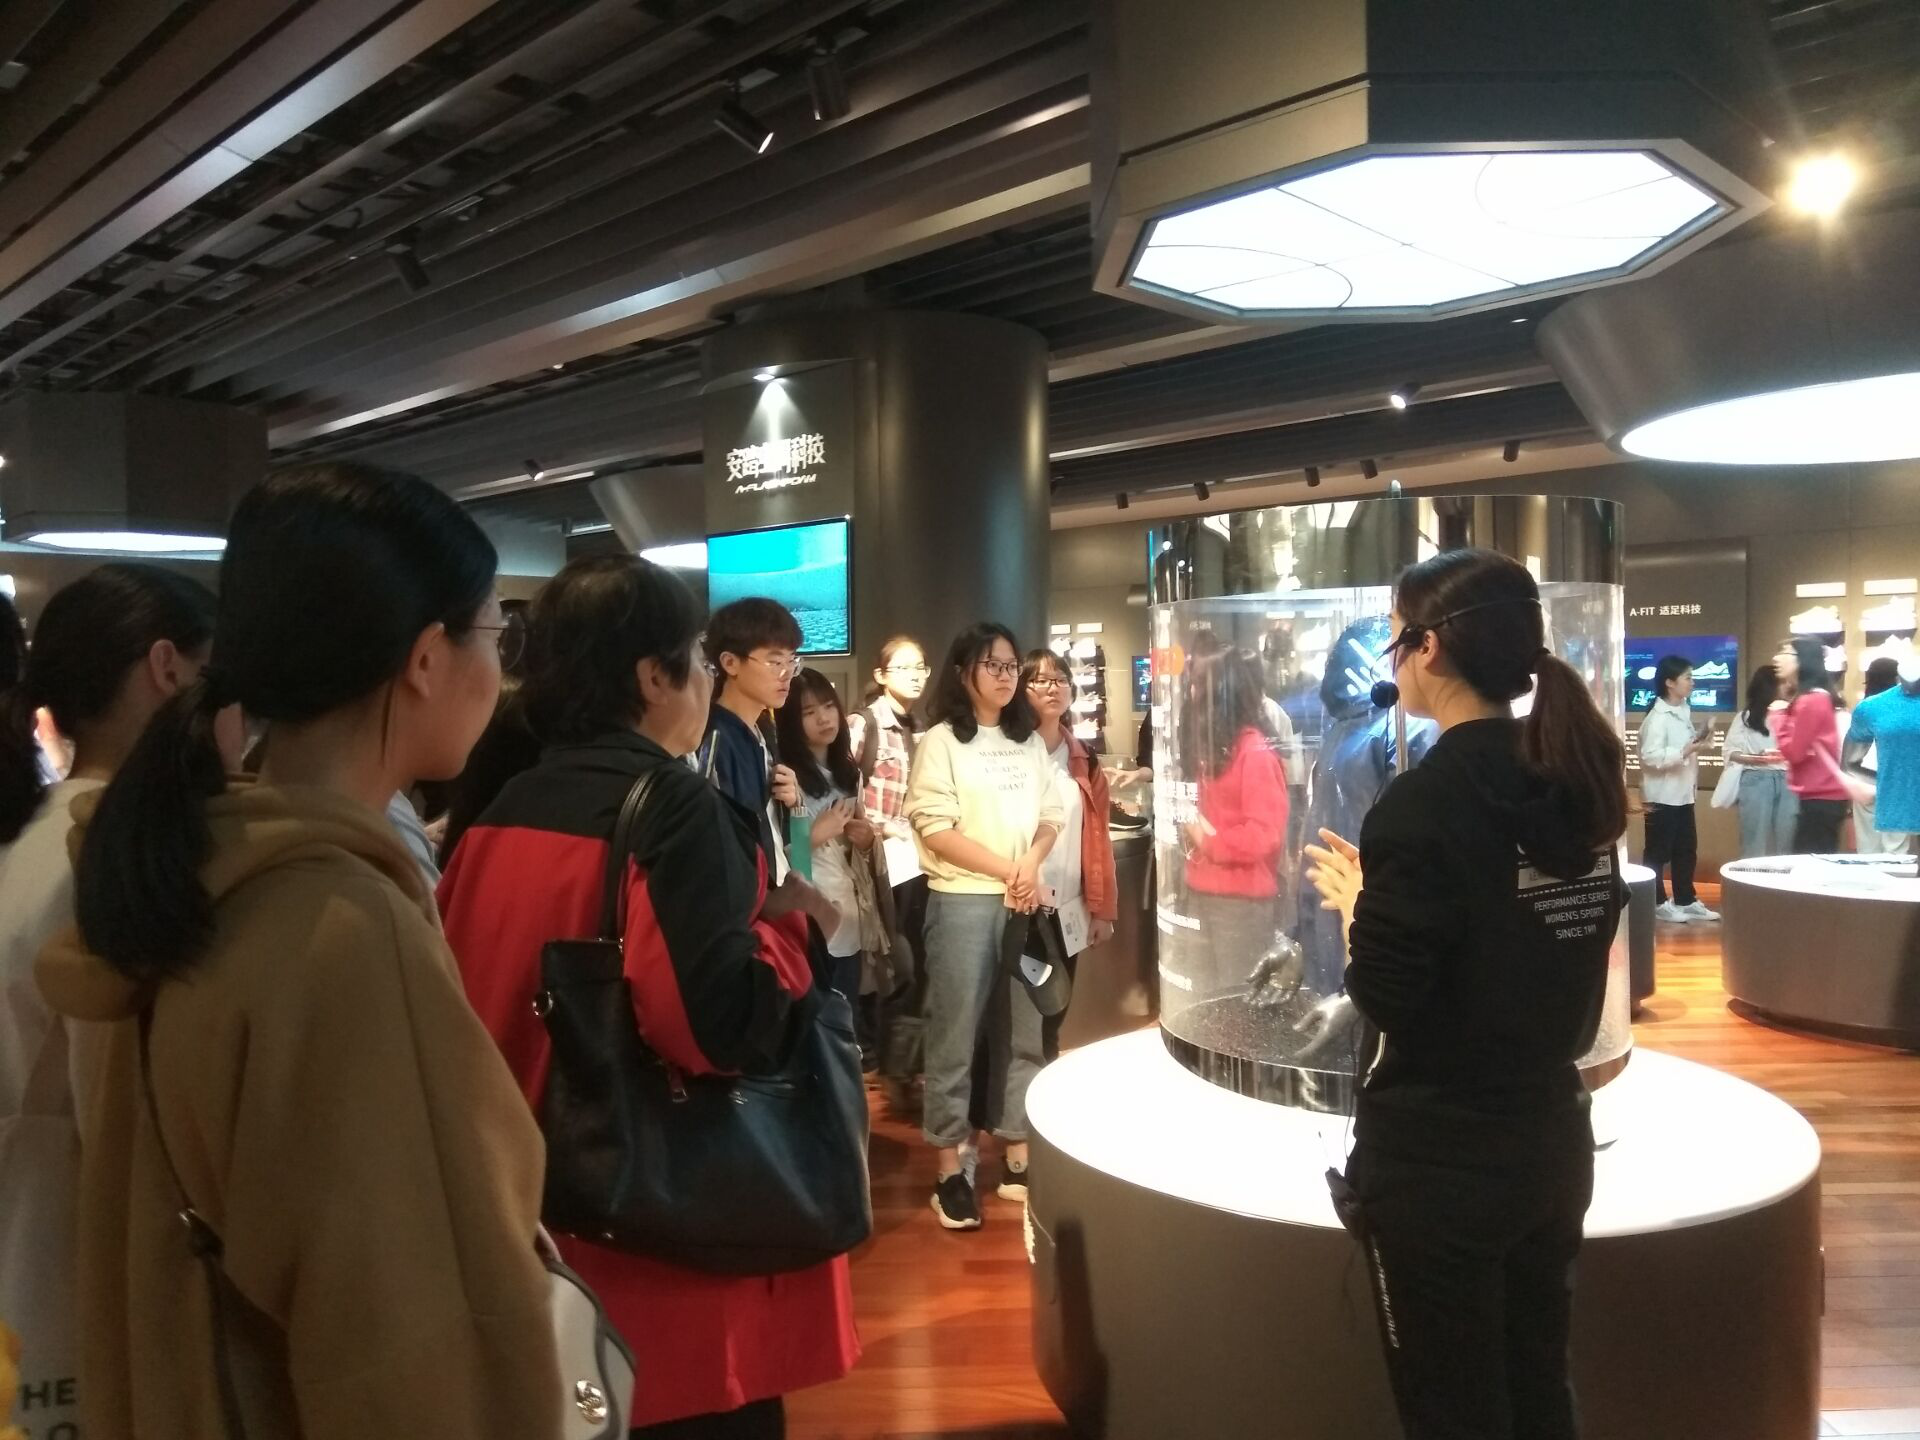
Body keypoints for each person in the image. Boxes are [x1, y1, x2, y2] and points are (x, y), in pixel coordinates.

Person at [34, 463, 563, 1439]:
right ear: (425, 658)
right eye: (497, 634)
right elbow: (412, 1347)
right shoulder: (342, 930)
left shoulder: (188, 868)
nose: (501, 670)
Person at [438, 556, 858, 1437]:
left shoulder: (498, 807)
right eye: (698, 658)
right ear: (651, 677)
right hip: (660, 1262)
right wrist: (789, 930)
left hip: (530, 1222)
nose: (705, 676)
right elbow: (713, 1030)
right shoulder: (672, 808)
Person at [1303, 547, 1628, 1440]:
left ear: (1430, 647)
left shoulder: (1425, 802)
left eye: (1397, 640)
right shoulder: (1573, 781)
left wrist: (1361, 906)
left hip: (1442, 1164)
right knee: (1539, 1387)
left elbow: (1389, 996)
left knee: (1453, 1409)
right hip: (1551, 1141)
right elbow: (1551, 941)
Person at [0, 564, 216, 1440]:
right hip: (70, 1282)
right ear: (167, 669)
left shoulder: (33, 843)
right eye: (214, 676)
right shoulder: (118, 861)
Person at [904, 622, 1064, 1230]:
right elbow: (935, 829)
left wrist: (1030, 863)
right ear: (962, 671)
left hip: (1021, 901)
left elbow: (1050, 815)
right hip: (963, 902)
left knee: (1023, 1031)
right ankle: (950, 1168)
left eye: (1010, 665)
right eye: (991, 664)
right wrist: (1010, 870)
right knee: (955, 1035)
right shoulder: (941, 741)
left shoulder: (1027, 742)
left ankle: (1017, 1155)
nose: (1004, 675)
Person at [1178, 641, 1291, 996]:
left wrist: (1206, 839)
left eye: (1199, 685)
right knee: (1205, 1002)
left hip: (1239, 904)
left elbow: (1264, 834)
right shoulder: (1219, 747)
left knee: (1236, 1004)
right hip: (1204, 892)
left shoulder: (1253, 751)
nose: (1192, 694)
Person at [1023, 648, 1119, 1060]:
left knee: (1053, 1013)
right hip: (1017, 904)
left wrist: (1102, 911)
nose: (1053, 688)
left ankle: (1038, 1086)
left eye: (1060, 679)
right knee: (1014, 1018)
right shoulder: (1007, 753)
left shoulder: (1084, 759)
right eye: (1040, 680)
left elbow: (1098, 840)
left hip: (1066, 909)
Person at [848, 636, 931, 1111]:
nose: (916, 676)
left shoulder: (921, 727)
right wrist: (884, 828)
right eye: (904, 668)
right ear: (880, 675)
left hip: (914, 864)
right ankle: (887, 1068)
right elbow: (842, 789)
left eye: (920, 667)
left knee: (913, 964)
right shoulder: (865, 724)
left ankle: (901, 1069)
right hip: (879, 864)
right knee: (895, 965)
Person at [777, 667, 882, 1003]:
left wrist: (865, 840)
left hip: (850, 918)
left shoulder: (849, 774)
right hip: (809, 923)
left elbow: (859, 853)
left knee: (845, 1014)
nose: (823, 718)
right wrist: (816, 834)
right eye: (808, 712)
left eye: (828, 706)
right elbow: (782, 867)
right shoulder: (784, 779)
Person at [1636, 655, 1716, 922]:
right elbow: (1651, 757)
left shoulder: (1683, 710)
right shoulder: (1657, 718)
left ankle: (1685, 899)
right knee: (1657, 851)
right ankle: (1656, 901)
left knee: (1686, 849)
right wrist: (1685, 751)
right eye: (1688, 678)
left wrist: (1700, 741)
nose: (1692, 683)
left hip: (1683, 793)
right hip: (1661, 795)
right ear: (1670, 683)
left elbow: (1685, 748)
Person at [1772, 636, 1851, 853]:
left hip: (1821, 797)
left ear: (1802, 659)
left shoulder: (1811, 701)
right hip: (1822, 796)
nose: (1776, 658)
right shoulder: (1815, 698)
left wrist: (1778, 717)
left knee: (1811, 863)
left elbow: (1794, 753)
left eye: (1785, 653)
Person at [1722, 665, 1798, 857]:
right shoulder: (1746, 717)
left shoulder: (1793, 713)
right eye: (1782, 682)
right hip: (1756, 777)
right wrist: (1758, 759)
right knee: (1754, 841)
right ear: (1769, 686)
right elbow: (1730, 752)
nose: (1788, 685)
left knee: (1788, 842)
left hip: (1789, 779)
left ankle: (1784, 877)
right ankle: (1752, 876)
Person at [1847, 657, 1912, 856]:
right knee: (1896, 849)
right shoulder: (1906, 709)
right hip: (1897, 783)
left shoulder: (1864, 709)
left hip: (1864, 782)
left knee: (1867, 847)